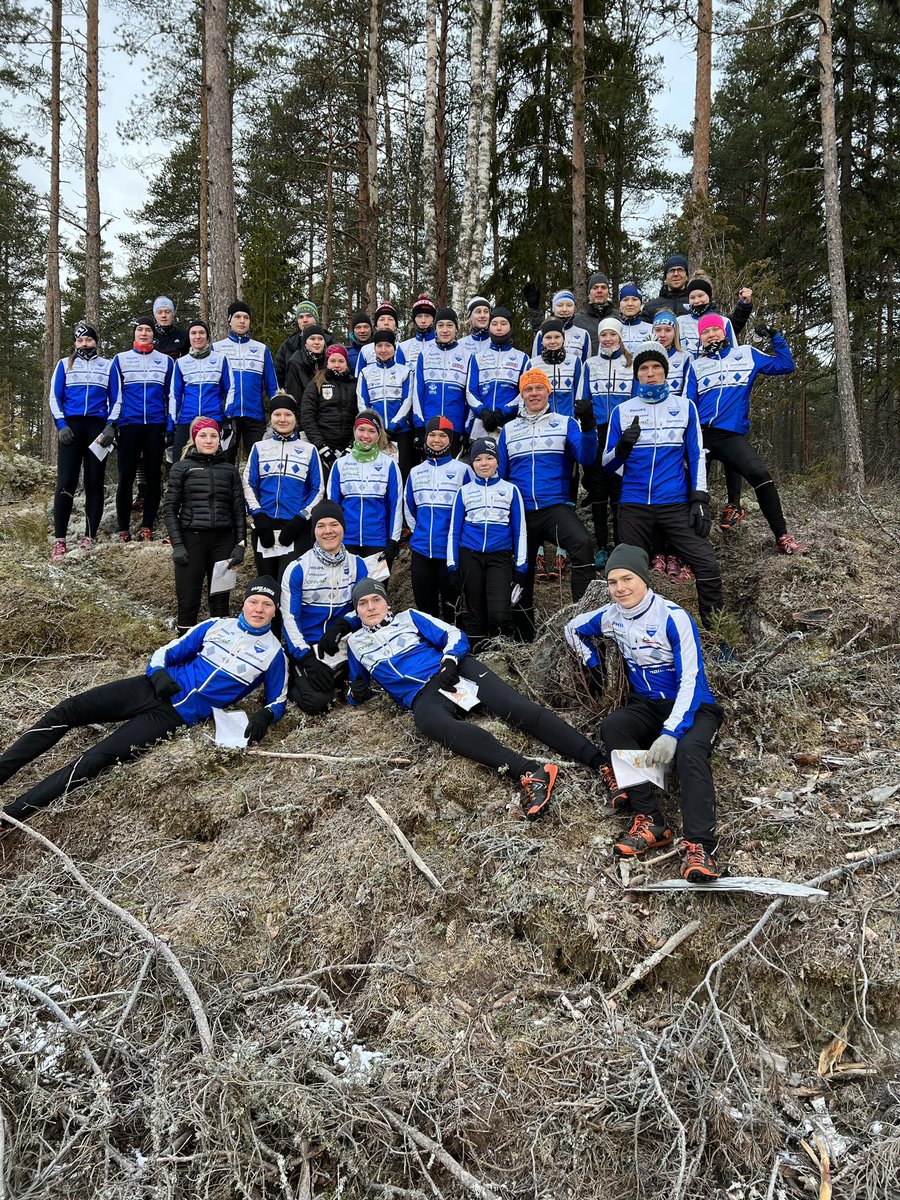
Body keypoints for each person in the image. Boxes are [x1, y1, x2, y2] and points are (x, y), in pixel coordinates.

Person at [0, 577, 287, 825]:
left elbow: (278, 700)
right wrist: (159, 674)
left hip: (174, 717)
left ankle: (11, 815)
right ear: (245, 603)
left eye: (267, 605)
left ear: (275, 611)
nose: (259, 609)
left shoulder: (273, 654)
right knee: (67, 710)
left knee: (94, 759)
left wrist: (265, 716)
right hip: (150, 688)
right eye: (254, 601)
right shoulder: (216, 625)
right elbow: (167, 652)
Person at [342, 579, 606, 820]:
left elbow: (454, 635)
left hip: (452, 672)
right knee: (428, 721)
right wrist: (356, 695)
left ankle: (601, 763)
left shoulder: (409, 617)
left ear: (386, 602)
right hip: (422, 696)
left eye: (376, 600)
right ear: (357, 611)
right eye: (362, 604)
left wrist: (449, 661)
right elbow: (357, 686)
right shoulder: (355, 643)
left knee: (516, 708)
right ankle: (530, 772)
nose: (370, 607)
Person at [564, 544, 723, 881]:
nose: (620, 588)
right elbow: (572, 628)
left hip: (694, 705)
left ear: (644, 579)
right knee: (614, 727)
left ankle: (700, 847)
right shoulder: (611, 615)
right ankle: (651, 821)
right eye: (612, 582)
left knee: (690, 752)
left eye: (627, 578)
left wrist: (671, 733)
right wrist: (592, 662)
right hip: (647, 704)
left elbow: (691, 680)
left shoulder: (673, 616)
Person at [601, 341, 727, 640]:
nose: (650, 373)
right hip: (633, 504)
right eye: (643, 368)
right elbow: (607, 464)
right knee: (628, 575)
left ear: (665, 372)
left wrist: (700, 498)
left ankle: (715, 632)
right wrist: (622, 448)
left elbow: (696, 455)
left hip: (674, 503)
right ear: (637, 376)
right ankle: (635, 636)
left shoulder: (685, 407)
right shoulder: (623, 410)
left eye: (656, 367)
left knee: (707, 564)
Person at [683, 314, 807, 553]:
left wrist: (775, 337)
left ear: (725, 332)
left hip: (730, 436)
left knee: (761, 475)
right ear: (700, 338)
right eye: (705, 332)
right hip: (701, 436)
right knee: (689, 489)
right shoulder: (696, 365)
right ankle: (685, 550)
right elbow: (689, 403)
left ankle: (782, 536)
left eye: (714, 330)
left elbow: (786, 365)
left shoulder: (747, 354)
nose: (710, 335)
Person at [497, 367, 598, 637]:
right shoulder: (509, 430)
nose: (533, 394)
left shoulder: (565, 423)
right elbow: (502, 477)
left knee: (582, 544)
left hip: (555, 507)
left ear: (548, 392)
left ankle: (582, 619)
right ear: (522, 394)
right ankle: (523, 636)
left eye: (539, 388)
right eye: (528, 389)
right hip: (521, 513)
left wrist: (588, 426)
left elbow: (586, 458)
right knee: (521, 571)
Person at [281, 501, 368, 714]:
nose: (328, 531)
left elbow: (365, 608)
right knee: (318, 703)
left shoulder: (358, 564)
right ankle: (294, 676)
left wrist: (342, 625)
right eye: (320, 525)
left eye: (334, 524)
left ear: (343, 528)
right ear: (314, 531)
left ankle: (340, 676)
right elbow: (289, 618)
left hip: (344, 642)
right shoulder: (298, 567)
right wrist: (304, 657)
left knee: (366, 689)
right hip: (309, 647)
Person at [164, 417, 246, 634]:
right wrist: (177, 545)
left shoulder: (229, 470)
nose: (208, 440)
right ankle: (185, 652)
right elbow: (170, 509)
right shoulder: (181, 468)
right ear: (194, 438)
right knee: (188, 603)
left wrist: (240, 544)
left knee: (220, 603)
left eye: (213, 436)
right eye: (203, 435)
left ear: (220, 439)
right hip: (192, 541)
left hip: (223, 542)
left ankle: (219, 650)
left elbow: (238, 510)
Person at [448, 437, 527, 651]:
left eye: (489, 458)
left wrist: (521, 567)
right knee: (475, 611)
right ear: (472, 463)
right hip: (469, 555)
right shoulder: (463, 492)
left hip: (500, 557)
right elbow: (454, 531)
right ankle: (477, 657)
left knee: (499, 613)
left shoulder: (511, 490)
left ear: (497, 461)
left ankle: (500, 655)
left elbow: (520, 530)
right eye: (478, 459)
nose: (484, 463)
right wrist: (452, 565)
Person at [48, 322, 118, 561]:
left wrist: (111, 425)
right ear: (75, 343)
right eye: (80, 341)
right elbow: (54, 397)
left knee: (94, 483)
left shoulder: (108, 366)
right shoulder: (64, 365)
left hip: (98, 429)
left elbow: (117, 397)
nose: (84, 344)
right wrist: (61, 425)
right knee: (66, 481)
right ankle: (60, 540)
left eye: (88, 340)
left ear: (96, 342)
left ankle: (89, 536)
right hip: (72, 428)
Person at [242, 392, 324, 580]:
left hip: (295, 526)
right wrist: (258, 515)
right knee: (267, 582)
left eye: (288, 414)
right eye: (277, 414)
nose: (282, 419)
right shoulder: (259, 447)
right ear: (271, 418)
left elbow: (318, 488)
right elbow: (248, 483)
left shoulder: (308, 450)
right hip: (265, 525)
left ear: (296, 417)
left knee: (290, 583)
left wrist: (301, 518)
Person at [112, 315, 173, 543]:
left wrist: (169, 424)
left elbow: (171, 396)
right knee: (126, 476)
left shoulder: (166, 362)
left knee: (153, 477)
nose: (144, 333)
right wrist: (113, 423)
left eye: (148, 329)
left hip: (155, 425)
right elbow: (114, 395)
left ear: (153, 334)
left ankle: (147, 526)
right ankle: (123, 528)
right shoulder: (120, 360)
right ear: (135, 334)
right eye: (140, 330)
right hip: (129, 424)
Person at [404, 415, 471, 623]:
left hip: (450, 552)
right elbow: (409, 507)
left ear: (450, 439)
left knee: (453, 610)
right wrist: (420, 532)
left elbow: (470, 509)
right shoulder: (415, 472)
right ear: (425, 438)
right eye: (432, 435)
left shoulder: (463, 470)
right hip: (422, 551)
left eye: (443, 435)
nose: (437, 440)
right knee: (426, 610)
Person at [582, 317, 633, 569]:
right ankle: (601, 546)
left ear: (620, 336)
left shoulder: (631, 362)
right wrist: (586, 418)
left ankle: (621, 546)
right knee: (599, 490)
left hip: (622, 432)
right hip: (599, 430)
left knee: (619, 490)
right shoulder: (590, 364)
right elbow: (584, 399)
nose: (608, 339)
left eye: (612, 334)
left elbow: (636, 399)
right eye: (604, 335)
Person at [326, 411, 403, 561]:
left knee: (375, 585)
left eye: (371, 431)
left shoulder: (389, 465)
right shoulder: (340, 464)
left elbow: (396, 505)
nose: (366, 436)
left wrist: (393, 541)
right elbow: (332, 506)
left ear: (379, 434)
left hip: (378, 541)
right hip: (345, 541)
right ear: (354, 431)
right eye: (361, 429)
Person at [215, 300, 279, 462]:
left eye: (246, 317)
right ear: (229, 320)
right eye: (237, 317)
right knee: (224, 462)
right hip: (227, 416)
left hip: (254, 415)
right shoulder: (217, 348)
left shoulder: (261, 349)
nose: (242, 321)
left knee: (259, 462)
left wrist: (277, 411)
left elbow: (272, 385)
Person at [169, 319, 233, 461]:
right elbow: (175, 395)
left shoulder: (221, 359)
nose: (198, 336)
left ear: (207, 336)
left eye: (201, 333)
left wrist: (227, 418)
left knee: (217, 463)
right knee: (178, 462)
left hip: (213, 418)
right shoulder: (181, 363)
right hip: (187, 419)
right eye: (193, 333)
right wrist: (170, 424)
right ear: (189, 337)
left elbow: (231, 389)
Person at [356, 329, 414, 476]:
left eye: (387, 346)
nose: (383, 350)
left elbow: (408, 400)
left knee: (402, 472)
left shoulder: (405, 371)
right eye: (379, 346)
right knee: (376, 472)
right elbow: (362, 402)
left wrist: (394, 425)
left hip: (400, 431)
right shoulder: (366, 372)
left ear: (394, 348)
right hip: (374, 432)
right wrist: (375, 426)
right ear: (374, 348)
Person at [465, 306, 529, 439]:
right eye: (494, 324)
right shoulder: (477, 358)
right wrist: (483, 412)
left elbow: (524, 391)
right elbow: (470, 391)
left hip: (510, 423)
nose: (499, 328)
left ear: (510, 327)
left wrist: (505, 411)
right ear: (489, 327)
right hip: (482, 423)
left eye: (503, 323)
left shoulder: (522, 358)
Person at [412, 307, 472, 439]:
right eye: (440, 325)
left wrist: (467, 429)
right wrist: (419, 425)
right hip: (430, 426)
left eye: (450, 325)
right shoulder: (425, 354)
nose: (445, 330)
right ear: (435, 329)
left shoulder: (468, 356)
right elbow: (418, 392)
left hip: (456, 426)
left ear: (456, 328)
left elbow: (470, 395)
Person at [300, 344, 359, 477]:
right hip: (323, 446)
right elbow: (307, 416)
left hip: (349, 447)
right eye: (332, 361)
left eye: (341, 361)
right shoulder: (317, 384)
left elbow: (360, 416)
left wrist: (352, 445)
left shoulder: (355, 385)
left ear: (347, 363)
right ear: (327, 363)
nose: (337, 365)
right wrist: (321, 447)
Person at [676, 277, 753, 358]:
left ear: (709, 297)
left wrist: (744, 305)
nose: (696, 301)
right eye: (692, 297)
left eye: (700, 296)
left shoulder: (724, 321)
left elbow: (733, 351)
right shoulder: (679, 321)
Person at [528, 289, 590, 362]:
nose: (564, 309)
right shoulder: (541, 334)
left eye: (569, 305)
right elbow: (535, 363)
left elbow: (586, 364)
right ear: (553, 308)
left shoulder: (583, 334)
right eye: (559, 305)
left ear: (574, 308)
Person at [275, 299, 321, 387]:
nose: (305, 320)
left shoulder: (330, 343)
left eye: (309, 316)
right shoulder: (287, 346)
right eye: (301, 317)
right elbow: (278, 376)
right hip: (294, 398)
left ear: (316, 319)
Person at [285, 324, 328, 405]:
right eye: (312, 339)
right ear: (305, 343)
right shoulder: (295, 363)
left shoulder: (329, 361)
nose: (317, 342)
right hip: (305, 411)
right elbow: (295, 397)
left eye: (320, 339)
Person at [358, 300, 406, 368]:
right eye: (382, 319)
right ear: (376, 326)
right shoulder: (365, 350)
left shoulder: (404, 348)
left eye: (390, 319)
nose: (386, 323)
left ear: (396, 326)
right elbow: (359, 376)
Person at [397, 292, 437, 374]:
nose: (423, 320)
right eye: (419, 316)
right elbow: (399, 377)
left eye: (427, 316)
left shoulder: (442, 345)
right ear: (414, 319)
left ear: (433, 319)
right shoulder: (403, 347)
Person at [616, 284, 653, 354]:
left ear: (641, 303)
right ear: (620, 304)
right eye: (625, 300)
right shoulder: (613, 329)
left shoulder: (651, 329)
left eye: (635, 299)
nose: (630, 303)